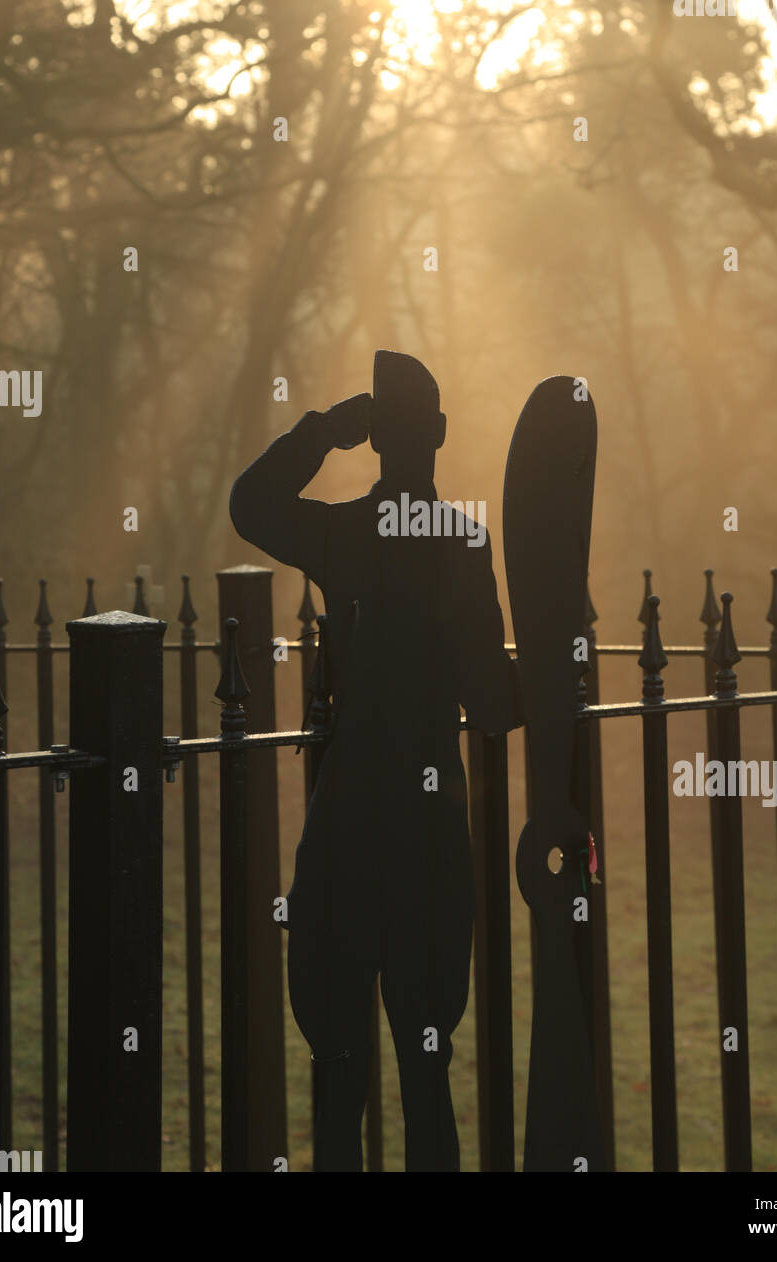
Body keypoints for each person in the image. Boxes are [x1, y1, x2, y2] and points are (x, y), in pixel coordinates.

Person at [229, 349, 521, 1171]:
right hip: (427, 834)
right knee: (428, 1074)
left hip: (347, 827)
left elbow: (249, 504)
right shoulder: (462, 544)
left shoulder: (342, 534)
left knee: (338, 1078)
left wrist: (325, 431)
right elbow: (494, 706)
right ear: (435, 435)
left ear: (377, 437)